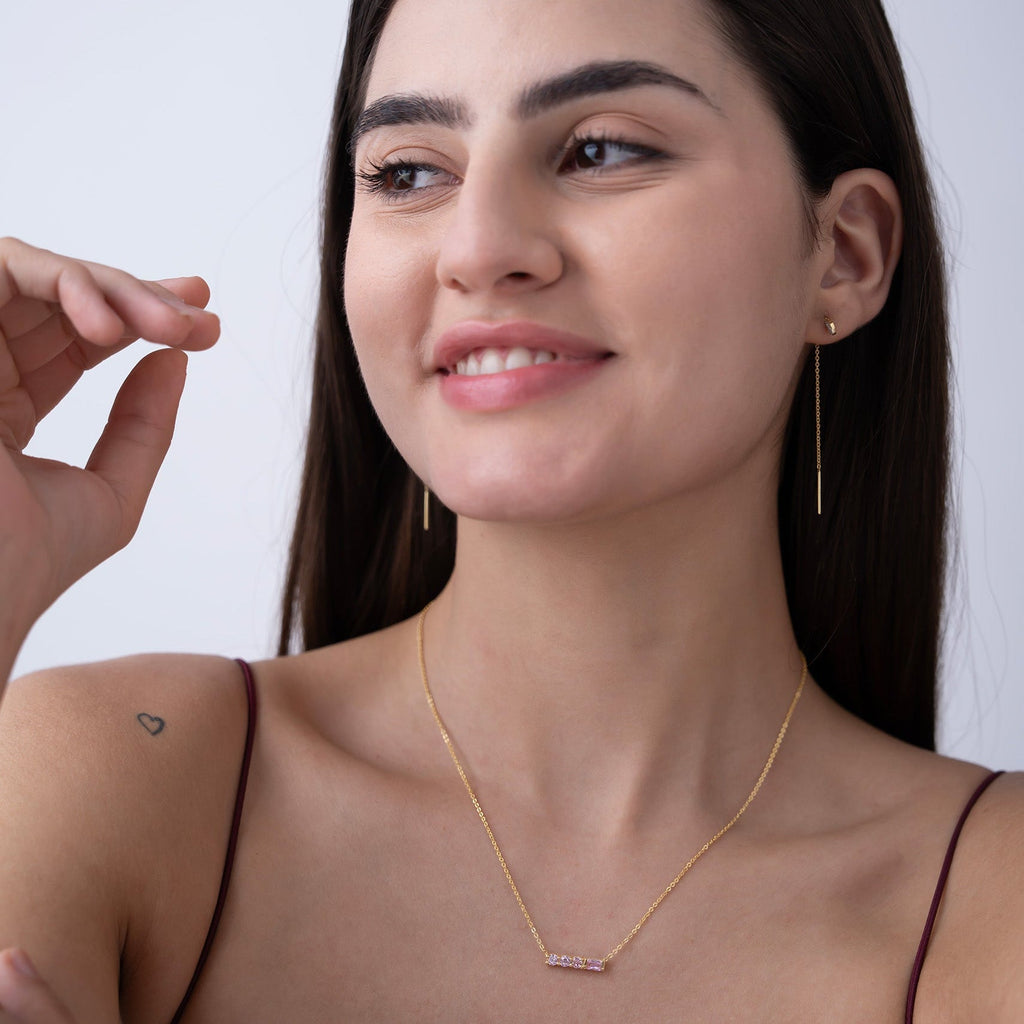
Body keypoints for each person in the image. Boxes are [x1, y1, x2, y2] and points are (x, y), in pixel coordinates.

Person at [0, 0, 1021, 1021]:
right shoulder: (115, 782)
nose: (477, 247)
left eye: (601, 149)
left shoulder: (995, 906)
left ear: (843, 252)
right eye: (408, 172)